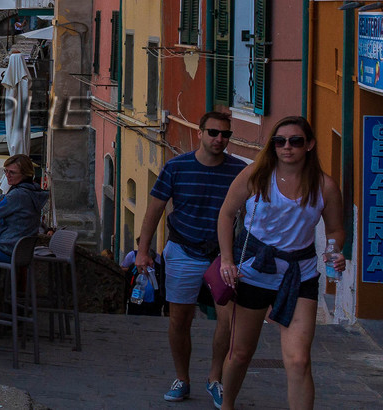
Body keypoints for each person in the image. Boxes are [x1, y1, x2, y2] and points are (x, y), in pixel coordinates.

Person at [216, 116, 345, 410]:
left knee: (299, 360)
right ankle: (227, 406)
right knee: (240, 353)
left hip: (300, 276)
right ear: (273, 145)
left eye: (295, 141)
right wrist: (226, 259)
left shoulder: (324, 187)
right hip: (253, 272)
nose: (287, 147)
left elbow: (336, 229)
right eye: (280, 141)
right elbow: (226, 214)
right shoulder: (256, 176)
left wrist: (334, 251)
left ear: (309, 145)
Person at [134, 109, 247, 405]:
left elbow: (251, 213)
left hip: (222, 257)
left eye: (225, 134)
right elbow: (154, 210)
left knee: (229, 320)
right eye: (213, 132)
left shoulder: (239, 171)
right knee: (179, 320)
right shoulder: (176, 167)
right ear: (200, 133)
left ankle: (215, 378)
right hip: (183, 251)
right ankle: (182, 379)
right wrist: (143, 251)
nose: (219, 139)